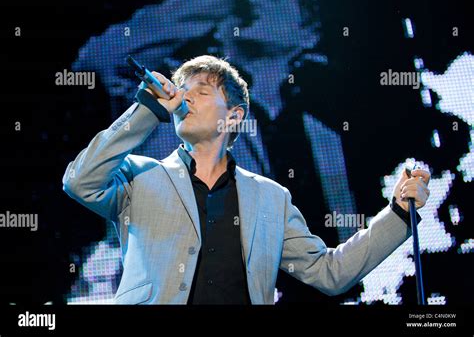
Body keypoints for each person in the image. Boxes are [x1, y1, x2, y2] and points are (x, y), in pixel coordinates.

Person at [62, 55, 431, 304]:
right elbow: (80, 181)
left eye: (200, 92)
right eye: (181, 92)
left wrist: (398, 215)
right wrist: (145, 110)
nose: (184, 99)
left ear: (234, 116)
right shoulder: (139, 176)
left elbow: (329, 273)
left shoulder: (271, 197)